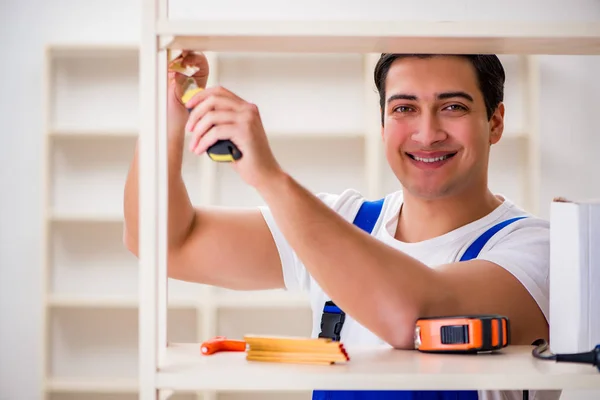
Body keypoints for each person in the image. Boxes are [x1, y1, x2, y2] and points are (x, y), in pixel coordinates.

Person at [123, 51, 560, 400]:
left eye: (452, 107)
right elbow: (162, 241)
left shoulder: (538, 250)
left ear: (495, 122)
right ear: (383, 121)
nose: (427, 134)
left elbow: (412, 314)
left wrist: (269, 178)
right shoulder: (343, 223)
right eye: (404, 108)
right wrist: (166, 121)